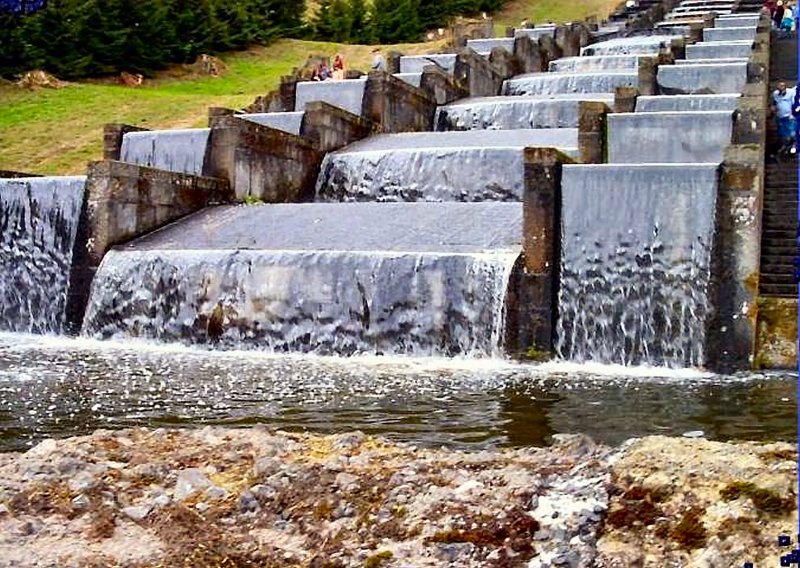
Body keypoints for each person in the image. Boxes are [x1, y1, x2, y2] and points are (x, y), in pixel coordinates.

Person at [772, 81, 796, 154]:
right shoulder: (776, 94)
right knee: (783, 133)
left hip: (789, 116)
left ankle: (793, 146)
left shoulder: (791, 93)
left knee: (792, 132)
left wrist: (792, 114)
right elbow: (774, 102)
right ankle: (785, 147)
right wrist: (773, 109)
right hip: (780, 116)